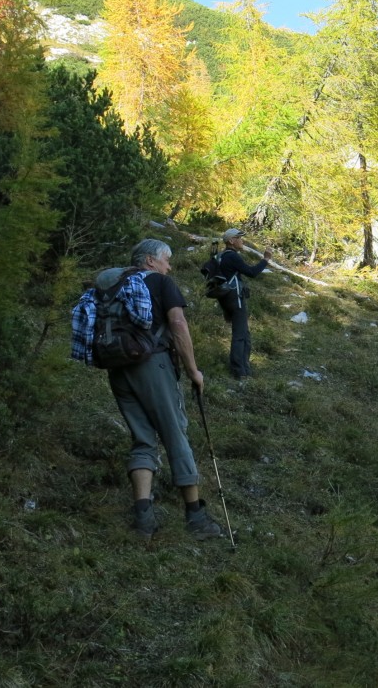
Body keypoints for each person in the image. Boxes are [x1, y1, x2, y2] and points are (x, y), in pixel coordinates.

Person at [106, 238, 223, 542]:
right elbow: (178, 324)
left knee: (143, 438)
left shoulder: (115, 285)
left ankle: (143, 519)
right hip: (153, 365)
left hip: (117, 368)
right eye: (166, 259)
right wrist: (193, 370)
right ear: (149, 261)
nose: (169, 265)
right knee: (175, 433)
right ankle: (195, 516)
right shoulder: (160, 282)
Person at [217, 228, 272, 380]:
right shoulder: (232, 256)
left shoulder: (221, 256)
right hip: (236, 299)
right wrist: (265, 260)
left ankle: (245, 369)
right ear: (231, 241)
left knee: (244, 334)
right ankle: (239, 371)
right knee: (240, 335)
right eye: (239, 238)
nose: (242, 240)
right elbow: (252, 272)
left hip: (226, 298)